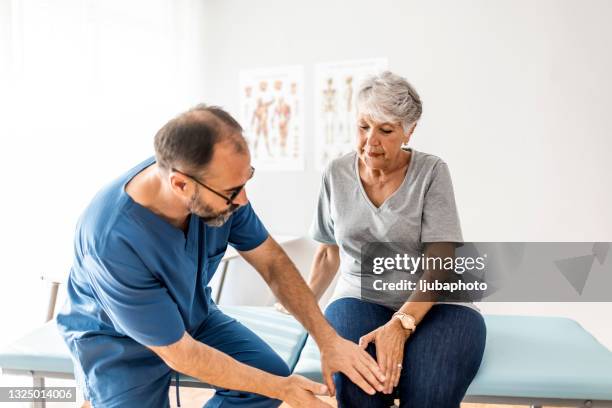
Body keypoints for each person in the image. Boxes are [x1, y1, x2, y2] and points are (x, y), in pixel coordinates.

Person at [57, 105, 386, 407]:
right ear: (181, 185)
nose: (242, 200)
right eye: (232, 192)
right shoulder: (112, 238)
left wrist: (327, 340)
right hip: (118, 344)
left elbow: (271, 261)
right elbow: (180, 353)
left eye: (247, 180)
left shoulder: (218, 189)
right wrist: (283, 389)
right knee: (273, 383)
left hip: (192, 316)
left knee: (266, 376)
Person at [306, 71, 487, 407]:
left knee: (429, 395)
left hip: (438, 307)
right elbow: (328, 254)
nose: (370, 141)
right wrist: (300, 310)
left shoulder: (432, 172)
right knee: (362, 391)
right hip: (359, 299)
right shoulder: (336, 173)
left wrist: (401, 325)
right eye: (363, 127)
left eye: (385, 130)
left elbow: (440, 260)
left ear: (409, 131)